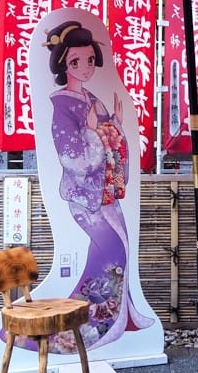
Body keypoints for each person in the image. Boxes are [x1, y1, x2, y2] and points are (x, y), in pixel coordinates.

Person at [20, 20, 153, 352]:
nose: (85, 67)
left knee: (119, 251)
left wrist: (114, 123)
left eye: (90, 60)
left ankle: (124, 316)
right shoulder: (62, 108)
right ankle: (94, 325)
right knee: (113, 254)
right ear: (63, 64)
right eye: (76, 62)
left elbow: (109, 138)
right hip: (86, 197)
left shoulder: (90, 98)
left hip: (104, 192)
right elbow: (74, 159)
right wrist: (95, 131)